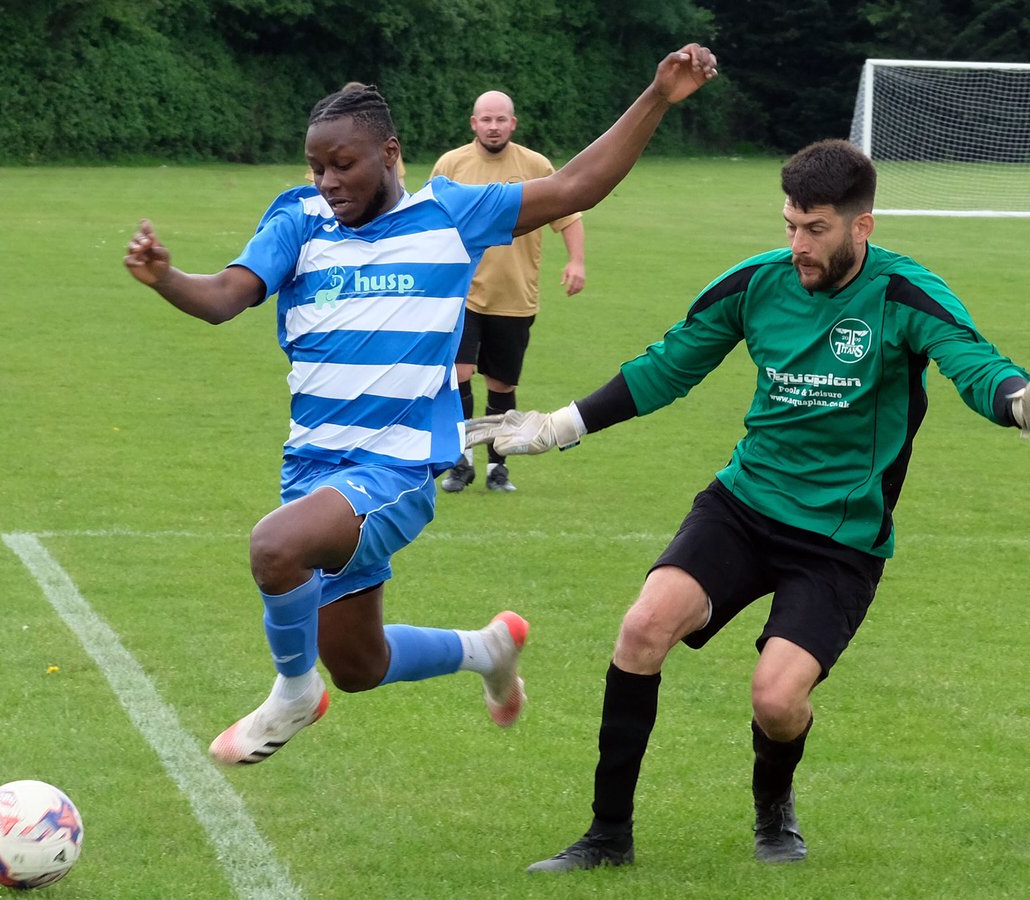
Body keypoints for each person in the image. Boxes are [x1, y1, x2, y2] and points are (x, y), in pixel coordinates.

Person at [467, 138, 1030, 871]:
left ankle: (774, 812)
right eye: (790, 226)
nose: (798, 245)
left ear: (862, 226)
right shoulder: (756, 285)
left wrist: (1019, 404)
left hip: (841, 535)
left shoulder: (904, 295)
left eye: (816, 230)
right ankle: (607, 836)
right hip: (744, 505)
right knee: (642, 628)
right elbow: (668, 367)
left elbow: (973, 362)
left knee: (776, 699)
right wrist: (558, 427)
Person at [122, 45, 718, 767]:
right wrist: (166, 278)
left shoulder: (451, 212)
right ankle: (487, 649)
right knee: (359, 664)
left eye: (343, 164)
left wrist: (657, 93)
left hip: (399, 467)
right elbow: (224, 298)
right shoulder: (300, 219)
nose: (328, 181)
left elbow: (576, 186)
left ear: (390, 153)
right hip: (313, 466)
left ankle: (290, 692)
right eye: (317, 167)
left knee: (274, 548)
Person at [431, 90, 587, 493]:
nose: (494, 126)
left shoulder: (536, 165)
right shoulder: (451, 164)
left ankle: (497, 468)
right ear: (474, 123)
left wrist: (576, 261)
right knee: (458, 374)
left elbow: (567, 214)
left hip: (515, 296)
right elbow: (429, 221)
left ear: (512, 124)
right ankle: (460, 461)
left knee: (501, 385)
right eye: (486, 119)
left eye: (501, 119)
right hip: (461, 293)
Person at [305, 82, 406, 188]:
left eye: (344, 165)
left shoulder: (381, 144)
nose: (326, 184)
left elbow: (398, 183)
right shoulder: (324, 147)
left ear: (390, 152)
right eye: (319, 170)